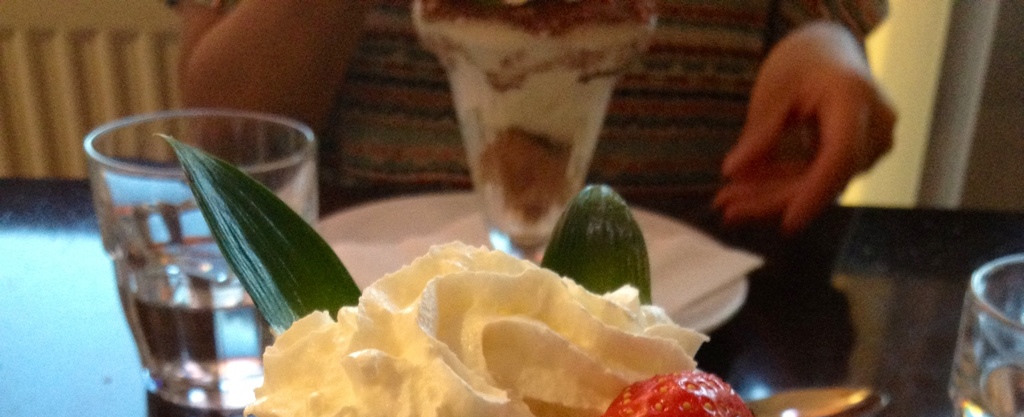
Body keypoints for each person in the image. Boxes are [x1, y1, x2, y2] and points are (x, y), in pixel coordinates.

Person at [172, 0, 895, 233]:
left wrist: (826, 52)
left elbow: (823, 20)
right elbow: (230, 132)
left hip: (693, 331)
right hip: (373, 322)